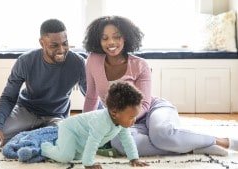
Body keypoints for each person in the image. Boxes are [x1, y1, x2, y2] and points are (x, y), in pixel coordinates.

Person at [82, 15, 238, 157]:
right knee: (120, 143)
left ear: (126, 38)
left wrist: (126, 118)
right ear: (98, 40)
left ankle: (220, 141)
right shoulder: (93, 60)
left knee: (162, 135)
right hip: (126, 120)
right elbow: (91, 96)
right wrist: (85, 127)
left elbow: (144, 103)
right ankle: (193, 147)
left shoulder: (140, 65)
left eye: (116, 37)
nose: (110, 42)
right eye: (105, 38)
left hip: (152, 109)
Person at [0, 18, 86, 153]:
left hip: (56, 116)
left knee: (63, 142)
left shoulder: (78, 63)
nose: (61, 50)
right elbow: (8, 97)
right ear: (42, 43)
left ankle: (24, 133)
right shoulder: (25, 61)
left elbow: (91, 96)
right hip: (26, 111)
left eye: (65, 43)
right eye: (54, 46)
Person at [41, 81, 149, 169]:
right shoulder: (102, 122)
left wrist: (134, 158)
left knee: (77, 157)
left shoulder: (120, 122)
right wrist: (89, 163)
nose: (134, 120)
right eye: (131, 117)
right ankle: (44, 146)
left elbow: (127, 140)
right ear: (114, 113)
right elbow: (93, 142)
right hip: (69, 129)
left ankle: (60, 144)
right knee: (65, 157)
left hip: (82, 139)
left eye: (135, 116)